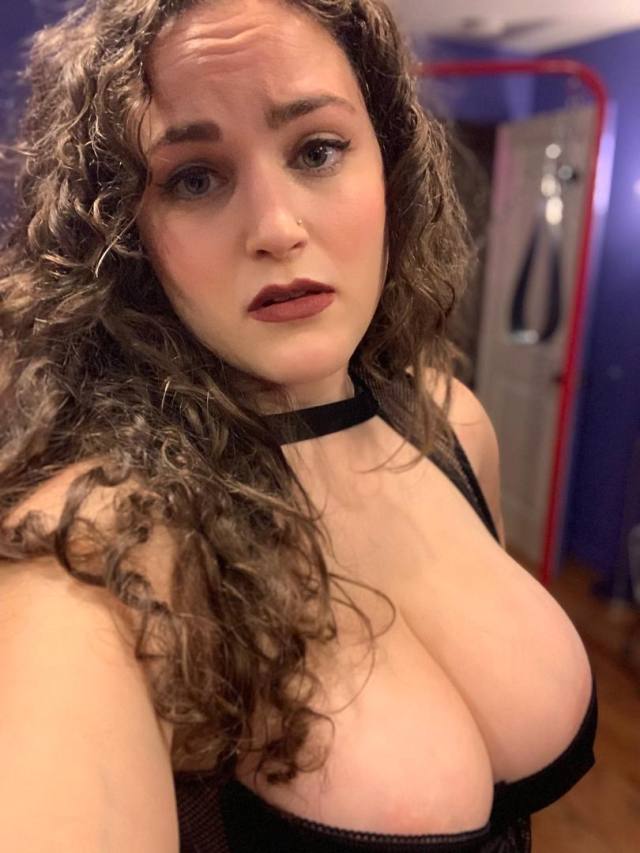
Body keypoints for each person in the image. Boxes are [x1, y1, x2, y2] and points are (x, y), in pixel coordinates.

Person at [0, 1, 597, 851]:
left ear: (390, 167)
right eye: (194, 178)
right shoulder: (96, 556)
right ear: (124, 233)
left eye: (317, 150)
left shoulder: (453, 427)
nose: (277, 229)